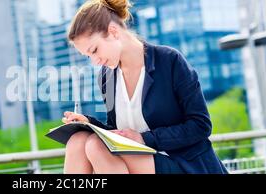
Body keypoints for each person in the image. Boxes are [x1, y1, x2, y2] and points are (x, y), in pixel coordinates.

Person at [62, 0, 228, 174]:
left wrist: (144, 139)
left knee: (96, 146)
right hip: (139, 160)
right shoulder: (106, 77)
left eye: (94, 50)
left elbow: (200, 125)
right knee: (78, 140)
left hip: (181, 162)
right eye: (88, 56)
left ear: (113, 31)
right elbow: (118, 132)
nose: (95, 61)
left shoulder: (169, 61)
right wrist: (89, 123)